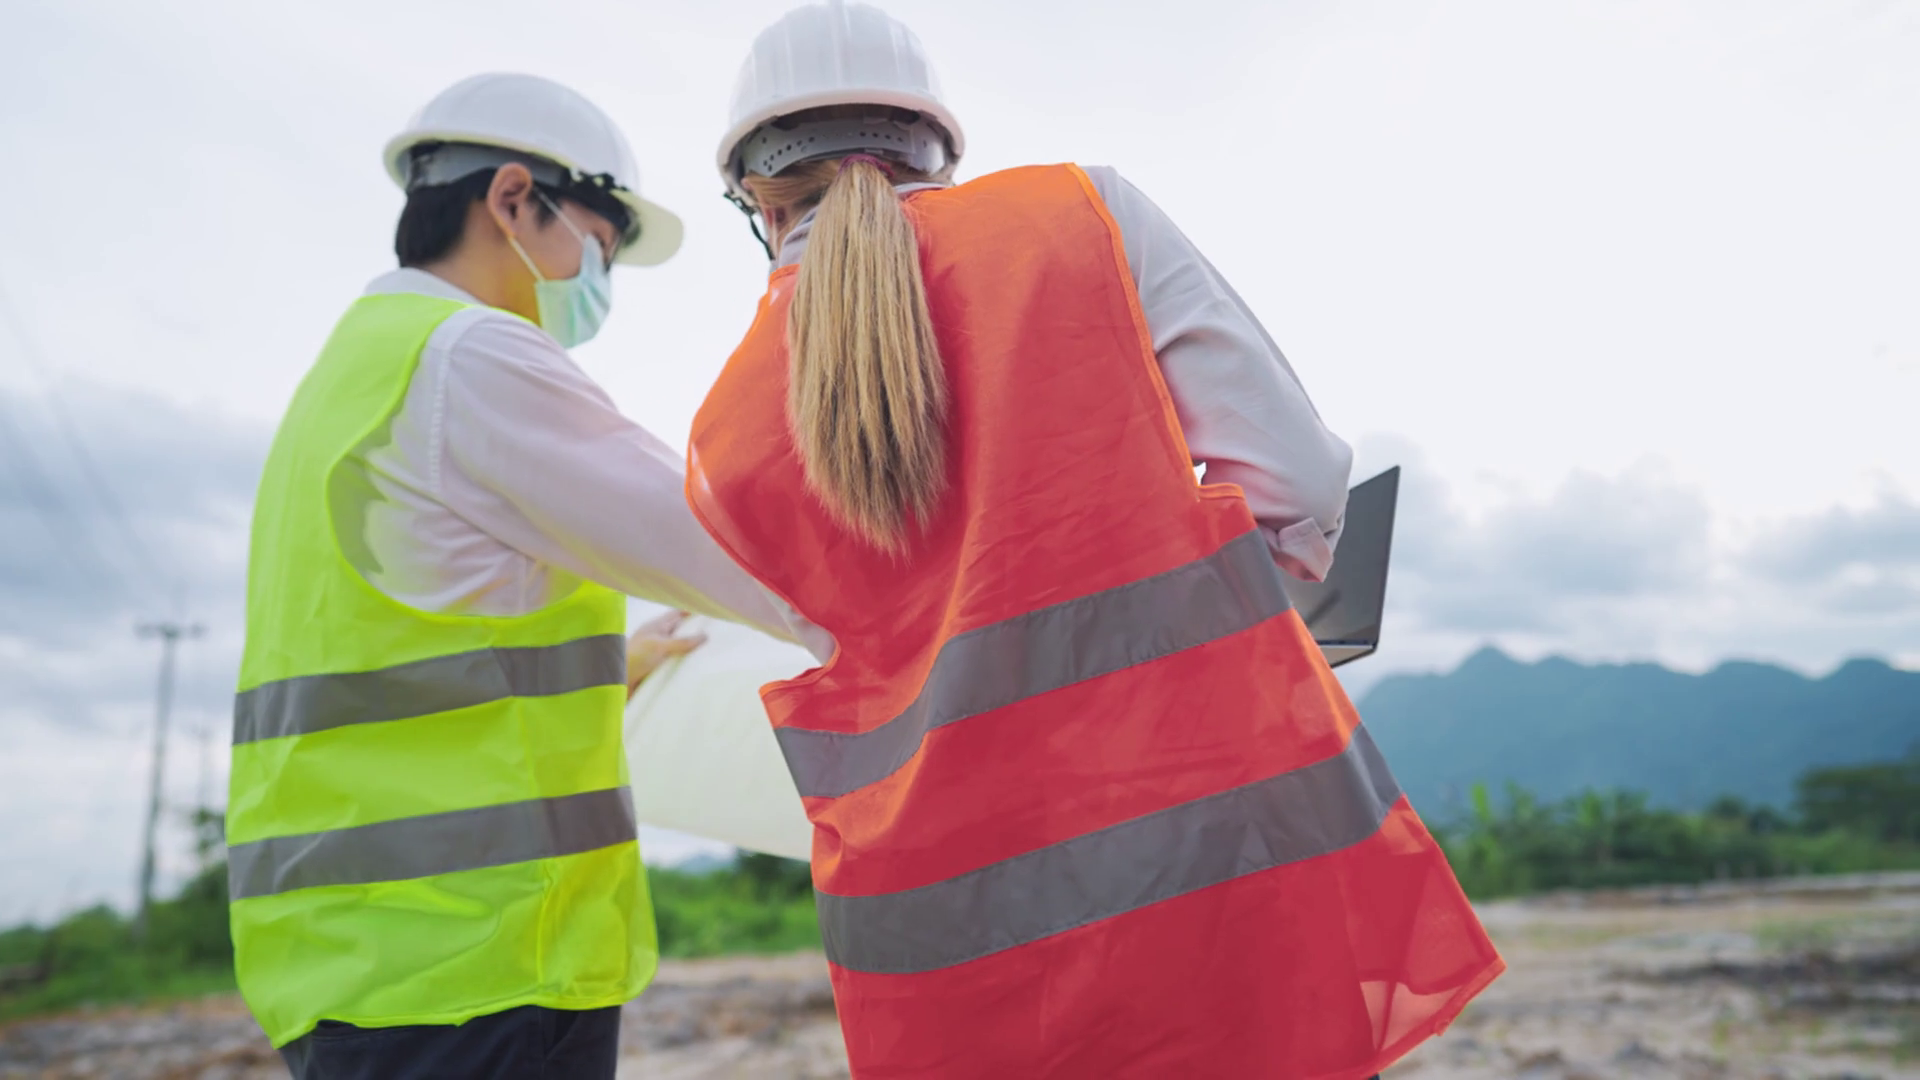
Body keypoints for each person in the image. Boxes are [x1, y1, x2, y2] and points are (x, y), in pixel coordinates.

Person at [684, 3, 1506, 1076]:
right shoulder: (1082, 215)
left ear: (758, 198)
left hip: (949, 931)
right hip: (1203, 842)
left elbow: (855, 663)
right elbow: (1300, 482)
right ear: (936, 148)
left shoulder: (722, 437)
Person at [228, 73, 825, 1079]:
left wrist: (616, 667)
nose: (603, 276)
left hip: (353, 964)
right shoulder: (469, 358)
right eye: (602, 242)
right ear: (512, 199)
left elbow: (410, 655)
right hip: (482, 962)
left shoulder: (353, 373)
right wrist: (933, 612)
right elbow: (739, 548)